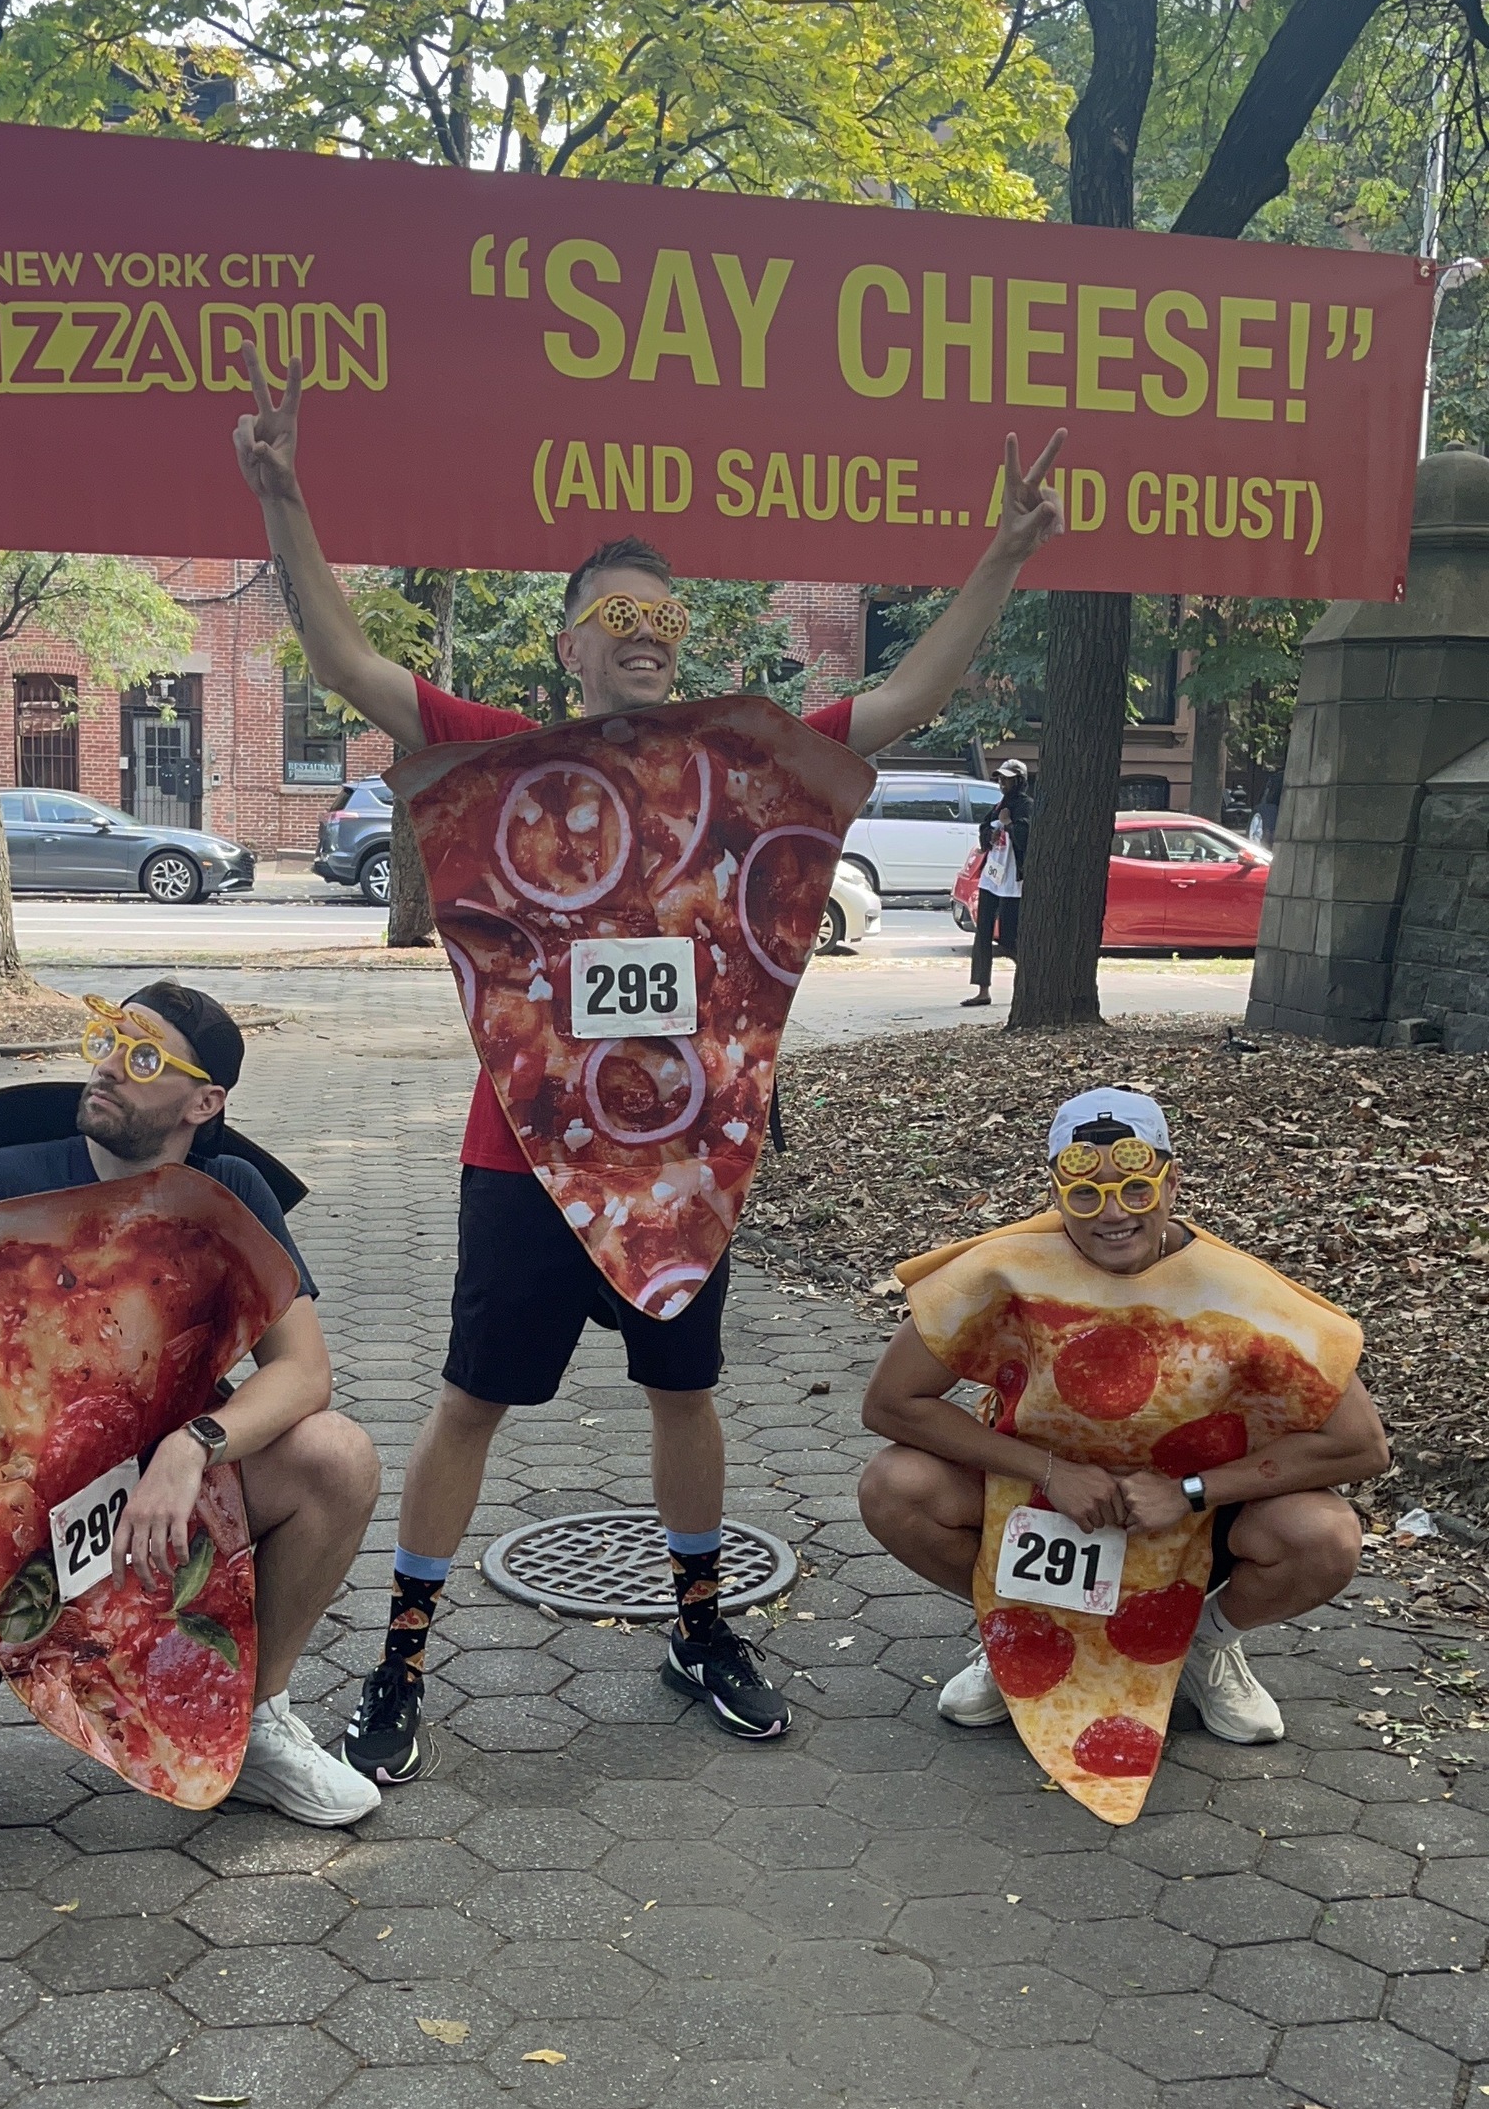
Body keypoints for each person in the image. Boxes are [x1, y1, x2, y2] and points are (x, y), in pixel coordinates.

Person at [234, 347, 1067, 1782]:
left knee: (687, 1392)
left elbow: (900, 703)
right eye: (616, 615)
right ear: (567, 644)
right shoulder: (507, 753)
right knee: (472, 1404)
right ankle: (402, 1661)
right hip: (528, 1153)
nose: (647, 635)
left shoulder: (738, 761)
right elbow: (351, 667)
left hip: (686, 1155)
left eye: (665, 619)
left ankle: (698, 1626)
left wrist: (998, 559)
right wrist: (283, 502)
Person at [0, 982, 383, 1833]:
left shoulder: (230, 1196)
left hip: (139, 1512)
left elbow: (304, 1374)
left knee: (337, 1458)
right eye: (106, 1040)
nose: (111, 1068)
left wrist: (194, 1445)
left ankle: (257, 1725)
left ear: (205, 1101)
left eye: (144, 1056)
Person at [858, 1085, 1388, 1753]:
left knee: (1325, 1534)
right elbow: (889, 1404)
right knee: (893, 1485)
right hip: (1045, 1509)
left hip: (1190, 1517)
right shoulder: (1004, 1272)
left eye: (1136, 1189)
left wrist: (1188, 1491)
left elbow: (1361, 1446)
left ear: (1172, 1184)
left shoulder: (1242, 1291)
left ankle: (1201, 1646)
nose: (1113, 1213)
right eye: (1086, 1195)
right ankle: (1015, 1627)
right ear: (1055, 1195)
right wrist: (1053, 1470)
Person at [963, 757, 1029, 1008]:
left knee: (1009, 936)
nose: (1002, 782)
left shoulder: (1025, 806)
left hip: (1013, 881)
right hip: (991, 878)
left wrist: (1010, 824)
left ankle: (1028, 980)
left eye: (1007, 779)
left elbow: (1027, 838)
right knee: (983, 934)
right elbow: (984, 830)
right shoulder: (999, 805)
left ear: (1019, 781)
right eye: (1000, 778)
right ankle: (982, 990)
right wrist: (988, 836)